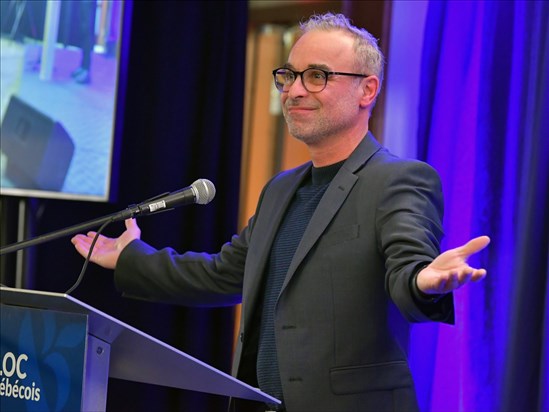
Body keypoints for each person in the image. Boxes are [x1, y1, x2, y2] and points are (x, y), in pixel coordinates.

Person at [71, 12, 490, 412]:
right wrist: (130, 258)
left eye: (317, 76)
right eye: (289, 75)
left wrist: (422, 280)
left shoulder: (398, 179)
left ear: (367, 90)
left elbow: (407, 267)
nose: (295, 90)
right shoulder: (280, 190)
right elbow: (224, 275)